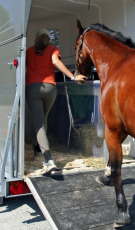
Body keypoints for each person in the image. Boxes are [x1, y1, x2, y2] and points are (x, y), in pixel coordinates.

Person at [26, 28, 87, 175]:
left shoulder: (28, 51)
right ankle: (37, 147)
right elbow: (55, 62)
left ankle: (48, 161)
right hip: (50, 89)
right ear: (48, 39)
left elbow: (23, 68)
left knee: (39, 124)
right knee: (44, 119)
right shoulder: (53, 49)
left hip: (33, 87)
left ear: (36, 39)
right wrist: (73, 77)